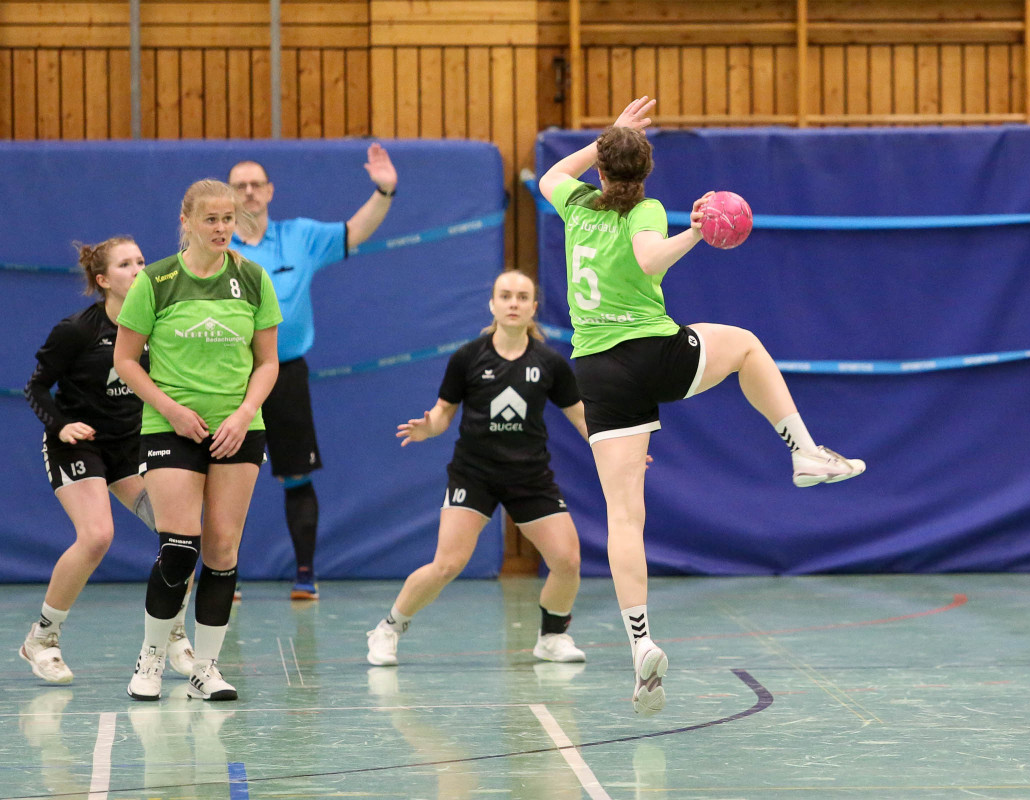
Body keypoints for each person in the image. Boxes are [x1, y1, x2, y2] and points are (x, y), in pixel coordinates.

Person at [538, 97, 866, 715]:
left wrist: (608, 136)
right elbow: (647, 258)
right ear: (646, 173)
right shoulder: (645, 208)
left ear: (601, 170)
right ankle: (804, 452)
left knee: (623, 518)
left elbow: (552, 174)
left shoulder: (576, 204)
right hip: (651, 354)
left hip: (599, 372)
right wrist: (693, 231)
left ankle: (641, 645)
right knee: (745, 346)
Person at [366, 270, 589, 667]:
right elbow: (442, 414)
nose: (514, 303)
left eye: (522, 297)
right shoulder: (468, 358)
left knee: (567, 560)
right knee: (447, 564)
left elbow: (580, 416)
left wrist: (616, 449)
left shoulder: (550, 363)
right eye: (506, 295)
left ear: (534, 307)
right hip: (474, 474)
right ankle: (388, 628)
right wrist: (428, 428)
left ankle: (552, 637)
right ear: (492, 304)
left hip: (530, 476)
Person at [114, 179, 281, 702]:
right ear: (186, 222)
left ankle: (205, 669)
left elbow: (268, 362)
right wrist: (170, 409)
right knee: (180, 546)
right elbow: (125, 360)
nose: (222, 228)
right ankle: (151, 657)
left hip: (238, 429)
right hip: (172, 426)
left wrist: (244, 414)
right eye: (211, 219)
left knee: (223, 548)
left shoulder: (252, 278)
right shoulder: (156, 280)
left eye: (229, 218)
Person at [19, 236, 195, 685]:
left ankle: (173, 631)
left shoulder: (157, 325)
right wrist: (61, 425)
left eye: (141, 261)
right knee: (97, 536)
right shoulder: (77, 330)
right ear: (103, 280)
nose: (138, 269)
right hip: (79, 444)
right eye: (125, 264)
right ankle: (43, 637)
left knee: (183, 534)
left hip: (131, 447)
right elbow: (35, 387)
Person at [228, 145, 397, 601]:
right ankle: (224, 574)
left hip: (286, 375)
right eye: (240, 186)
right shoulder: (215, 249)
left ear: (270, 191)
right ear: (228, 195)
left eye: (256, 185)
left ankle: (305, 575)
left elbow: (354, 232)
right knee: (225, 476)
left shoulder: (300, 236)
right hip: (228, 379)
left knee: (297, 475)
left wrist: (384, 191)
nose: (249, 192)